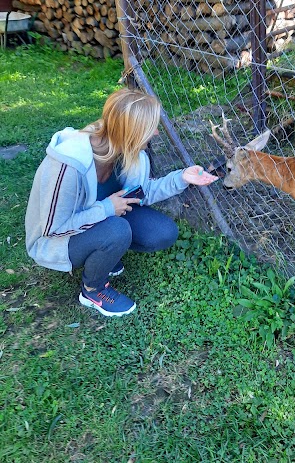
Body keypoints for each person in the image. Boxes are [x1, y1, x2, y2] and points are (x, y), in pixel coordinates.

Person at [25, 88, 218, 317]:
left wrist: (182, 177)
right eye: (150, 127)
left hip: (98, 218)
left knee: (162, 232)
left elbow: (140, 194)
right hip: (54, 241)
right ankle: (92, 289)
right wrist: (107, 208)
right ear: (132, 131)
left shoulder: (129, 152)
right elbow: (53, 227)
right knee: (117, 230)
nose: (156, 133)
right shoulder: (68, 165)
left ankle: (104, 253)